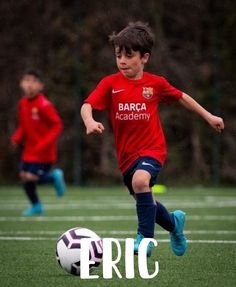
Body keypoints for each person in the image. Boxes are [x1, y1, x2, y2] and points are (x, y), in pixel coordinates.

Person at [80, 22, 224, 257]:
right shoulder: (110, 83)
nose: (122, 61)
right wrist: (89, 121)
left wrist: (208, 116)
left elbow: (182, 98)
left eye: (129, 55)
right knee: (145, 198)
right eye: (118, 55)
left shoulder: (155, 84)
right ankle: (175, 225)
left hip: (152, 149)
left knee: (140, 181)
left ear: (144, 57)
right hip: (126, 156)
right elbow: (87, 105)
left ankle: (145, 239)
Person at [11, 68, 66, 216]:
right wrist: (16, 137)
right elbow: (23, 125)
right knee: (23, 175)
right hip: (29, 150)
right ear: (21, 83)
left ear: (41, 86)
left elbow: (57, 125)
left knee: (30, 176)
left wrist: (44, 143)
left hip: (43, 152)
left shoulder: (44, 105)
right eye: (27, 80)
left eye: (34, 81)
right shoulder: (22, 103)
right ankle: (36, 206)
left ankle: (54, 177)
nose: (30, 84)